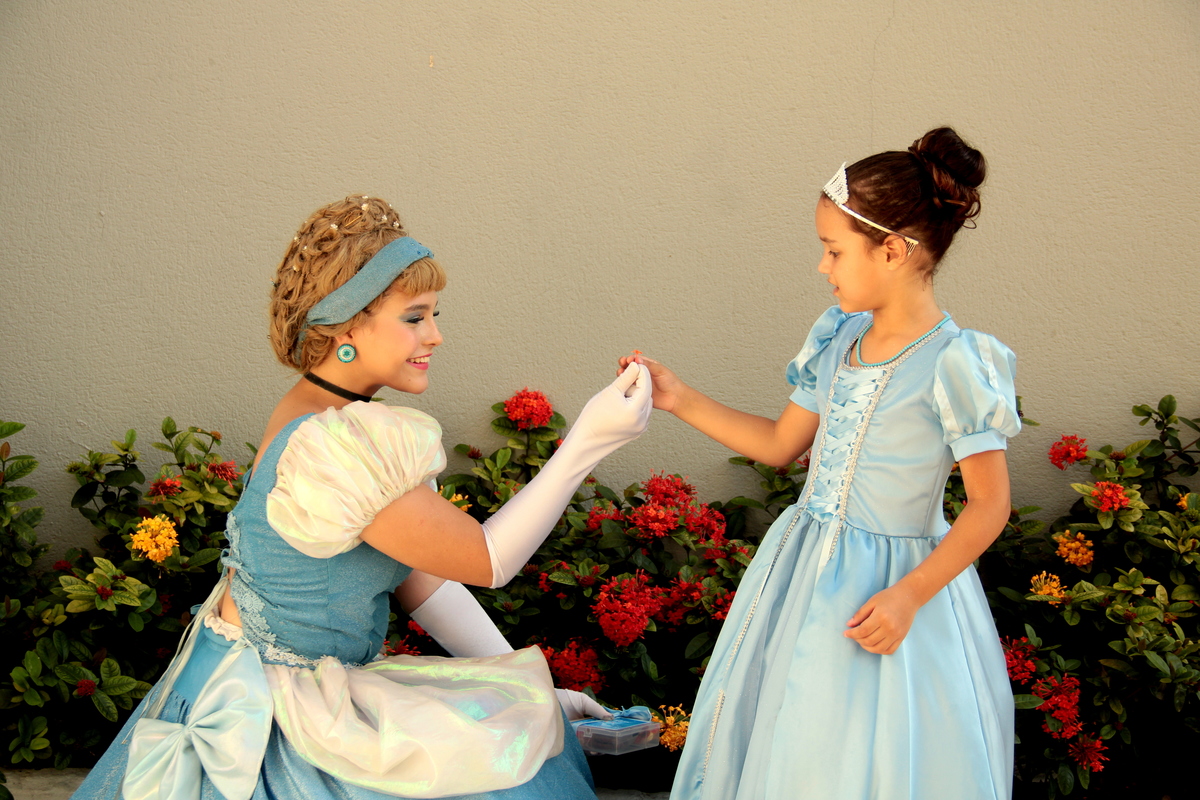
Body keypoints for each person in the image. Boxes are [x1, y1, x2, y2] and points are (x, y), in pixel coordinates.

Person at [72, 195, 652, 800]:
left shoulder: (323, 414)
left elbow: (420, 580)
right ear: (348, 326)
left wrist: (535, 693)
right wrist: (588, 441)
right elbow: (489, 560)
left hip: (269, 683)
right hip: (274, 722)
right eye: (415, 317)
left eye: (434, 315)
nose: (436, 335)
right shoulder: (333, 443)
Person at [621, 128, 1019, 799]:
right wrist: (678, 397)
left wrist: (909, 595)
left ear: (892, 250)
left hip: (894, 590)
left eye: (834, 250)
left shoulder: (956, 362)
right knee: (796, 738)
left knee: (872, 750)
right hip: (805, 574)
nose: (822, 266)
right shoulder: (839, 337)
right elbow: (782, 443)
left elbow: (989, 504)